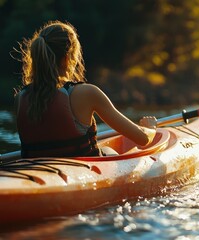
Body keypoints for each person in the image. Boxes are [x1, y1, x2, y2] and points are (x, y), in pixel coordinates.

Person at [14, 21, 157, 158]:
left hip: (38, 173)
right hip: (81, 173)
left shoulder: (20, 98)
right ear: (67, 58)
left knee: (106, 148)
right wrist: (150, 128)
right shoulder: (86, 93)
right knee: (108, 150)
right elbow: (142, 139)